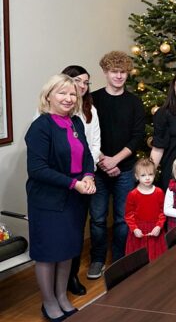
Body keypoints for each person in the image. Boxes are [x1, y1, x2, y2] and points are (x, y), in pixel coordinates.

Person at [26, 74, 96, 322]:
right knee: (48, 252)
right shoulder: (41, 126)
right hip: (48, 200)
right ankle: (49, 302)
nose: (68, 98)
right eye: (62, 93)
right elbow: (37, 169)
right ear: (48, 97)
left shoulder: (76, 122)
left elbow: (87, 155)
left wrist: (88, 175)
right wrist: (74, 183)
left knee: (67, 249)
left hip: (74, 198)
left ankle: (61, 296)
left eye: (72, 94)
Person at [88, 51, 144, 280]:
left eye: (123, 72)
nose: (119, 76)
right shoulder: (93, 100)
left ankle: (119, 258)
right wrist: (103, 161)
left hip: (125, 168)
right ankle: (97, 259)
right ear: (105, 72)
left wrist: (116, 160)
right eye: (114, 72)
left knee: (122, 218)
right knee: (98, 218)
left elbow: (137, 136)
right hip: (98, 169)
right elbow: (87, 134)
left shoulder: (134, 102)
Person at [60, 66, 100, 296]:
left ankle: (72, 275)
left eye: (86, 82)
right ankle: (57, 283)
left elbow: (93, 146)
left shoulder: (89, 110)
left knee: (76, 230)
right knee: (61, 232)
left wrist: (87, 174)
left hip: (85, 180)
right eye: (77, 81)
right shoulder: (47, 115)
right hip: (62, 181)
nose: (82, 86)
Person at [124, 158, 166, 261]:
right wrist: (134, 229)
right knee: (138, 261)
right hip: (139, 232)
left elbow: (162, 212)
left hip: (155, 231)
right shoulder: (132, 194)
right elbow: (128, 215)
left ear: (154, 175)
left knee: (158, 259)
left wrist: (159, 226)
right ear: (136, 176)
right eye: (143, 175)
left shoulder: (159, 192)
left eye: (150, 174)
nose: (147, 178)